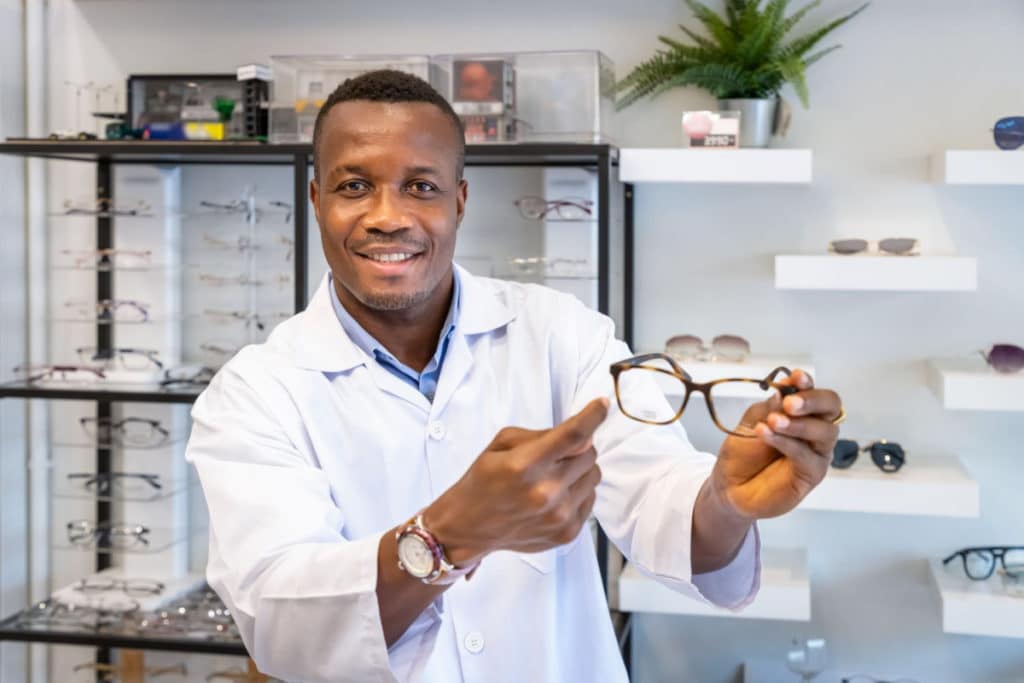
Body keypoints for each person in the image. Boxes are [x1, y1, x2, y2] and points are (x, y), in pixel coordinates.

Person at [185, 69, 844, 683]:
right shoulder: (254, 394)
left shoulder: (562, 334)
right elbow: (280, 622)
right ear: (316, 198)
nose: (388, 215)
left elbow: (657, 501)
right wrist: (446, 535)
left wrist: (725, 501)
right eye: (355, 186)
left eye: (421, 186)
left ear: (460, 200)